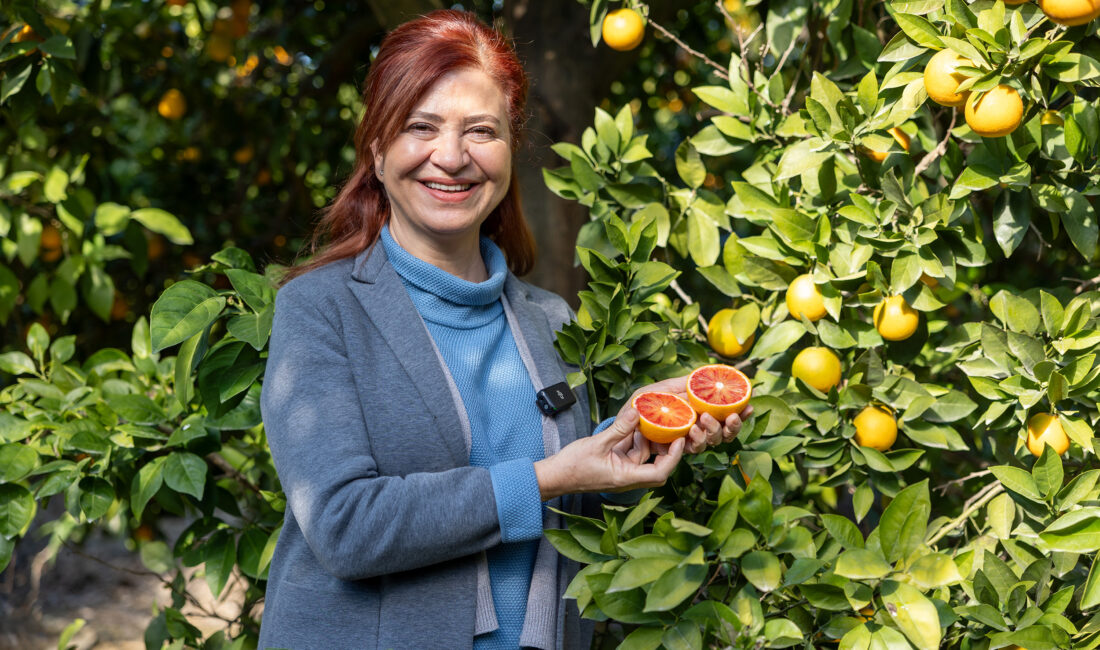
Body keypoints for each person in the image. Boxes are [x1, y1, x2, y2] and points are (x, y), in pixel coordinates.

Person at [258, 9, 751, 650]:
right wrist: (551, 477)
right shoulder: (321, 309)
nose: (452, 156)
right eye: (421, 127)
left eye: (481, 131)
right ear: (378, 151)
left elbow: (568, 513)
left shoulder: (547, 320)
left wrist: (632, 441)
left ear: (510, 151)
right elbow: (346, 528)